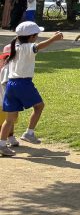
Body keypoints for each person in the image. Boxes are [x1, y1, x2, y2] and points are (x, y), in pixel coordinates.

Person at [0, 22, 63, 156]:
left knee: (9, 118)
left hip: (11, 84)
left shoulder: (15, 46)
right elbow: (38, 47)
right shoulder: (27, 47)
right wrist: (54, 39)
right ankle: (29, 133)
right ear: (31, 37)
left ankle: (2, 144)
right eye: (36, 35)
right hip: (23, 83)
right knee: (39, 106)